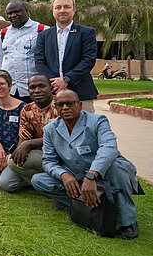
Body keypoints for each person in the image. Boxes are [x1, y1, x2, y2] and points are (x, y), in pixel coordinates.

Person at [32, 90, 142, 239]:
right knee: (39, 180)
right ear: (55, 108)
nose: (65, 107)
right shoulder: (50, 129)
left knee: (117, 166)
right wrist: (63, 175)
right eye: (60, 104)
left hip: (104, 171)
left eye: (70, 103)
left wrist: (92, 175)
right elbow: (48, 161)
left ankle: (127, 221)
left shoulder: (97, 121)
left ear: (80, 105)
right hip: (75, 175)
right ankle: (83, 205)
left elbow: (109, 147)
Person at [34, 0, 98, 112]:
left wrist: (67, 79)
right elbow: (39, 62)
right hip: (52, 94)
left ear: (74, 10)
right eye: (58, 7)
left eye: (67, 7)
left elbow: (88, 60)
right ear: (53, 11)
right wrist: (56, 83)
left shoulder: (86, 33)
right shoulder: (44, 35)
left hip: (81, 94)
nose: (62, 10)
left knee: (85, 124)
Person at [0, 74, 58, 192]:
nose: (37, 90)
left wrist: (29, 144)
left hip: (58, 154)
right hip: (38, 153)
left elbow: (60, 137)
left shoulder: (61, 104)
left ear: (51, 88)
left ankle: (54, 187)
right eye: (32, 87)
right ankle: (42, 182)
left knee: (14, 163)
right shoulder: (27, 109)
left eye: (42, 86)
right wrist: (18, 152)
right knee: (6, 183)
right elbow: (24, 136)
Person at [0, 0, 48, 103]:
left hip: (33, 90)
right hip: (10, 90)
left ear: (26, 10)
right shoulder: (3, 33)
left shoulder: (42, 30)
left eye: (17, 12)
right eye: (10, 13)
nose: (13, 15)